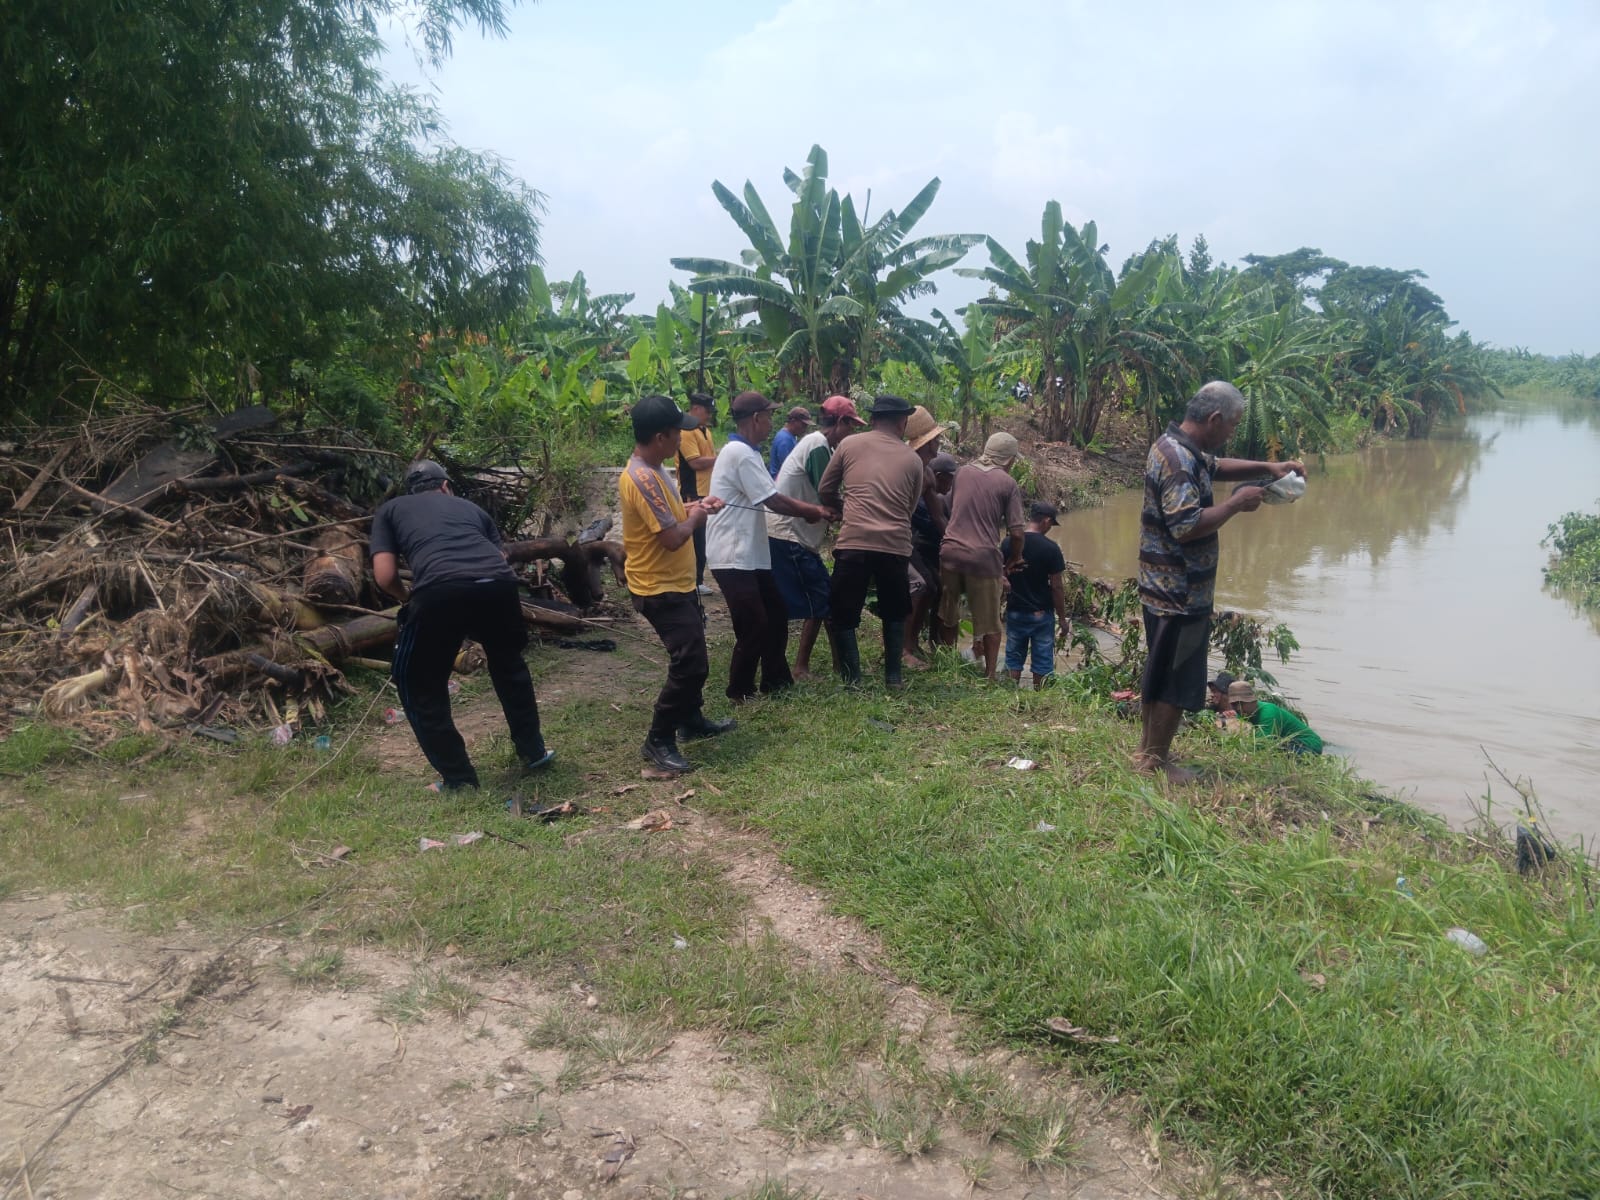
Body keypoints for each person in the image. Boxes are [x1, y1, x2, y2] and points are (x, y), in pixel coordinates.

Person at [1135, 381, 1305, 782]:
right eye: (1231, 426)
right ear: (1213, 419)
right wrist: (1235, 504)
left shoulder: (1174, 446)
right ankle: (1156, 763)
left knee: (1158, 672)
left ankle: (1146, 753)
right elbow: (1186, 526)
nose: (1232, 433)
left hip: (1160, 585)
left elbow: (1217, 466)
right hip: (1180, 591)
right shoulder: (1179, 462)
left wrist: (1270, 468)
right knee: (1174, 681)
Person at [370, 460, 553, 791]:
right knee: (509, 666)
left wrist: (407, 597)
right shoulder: (470, 509)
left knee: (418, 683)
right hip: (499, 586)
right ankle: (534, 751)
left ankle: (459, 779)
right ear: (444, 486)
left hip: (439, 591)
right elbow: (499, 559)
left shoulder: (391, 509)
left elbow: (384, 576)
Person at [620, 395, 735, 774]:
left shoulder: (653, 470)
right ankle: (658, 739)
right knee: (691, 664)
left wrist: (696, 506)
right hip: (658, 587)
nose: (679, 444)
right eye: (676, 435)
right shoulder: (642, 478)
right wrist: (698, 518)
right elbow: (671, 538)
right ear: (660, 437)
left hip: (675, 582)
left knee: (694, 653)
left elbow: (667, 518)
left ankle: (691, 719)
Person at [705, 391, 834, 702]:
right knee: (755, 624)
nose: (771, 422)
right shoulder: (739, 453)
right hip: (732, 554)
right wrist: (812, 511)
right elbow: (773, 500)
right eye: (769, 416)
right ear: (756, 419)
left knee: (775, 615)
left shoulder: (747, 451)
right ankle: (740, 690)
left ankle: (776, 681)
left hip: (751, 554)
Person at [817, 394, 925, 688]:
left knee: (843, 611)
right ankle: (893, 676)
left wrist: (843, 508)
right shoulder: (913, 459)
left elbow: (825, 488)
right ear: (902, 422)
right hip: (894, 546)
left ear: (873, 419)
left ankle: (853, 680)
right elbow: (909, 509)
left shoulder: (849, 445)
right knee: (894, 611)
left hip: (854, 541)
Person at [767, 395, 866, 678]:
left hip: (796, 535)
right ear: (840, 422)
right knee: (821, 597)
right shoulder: (818, 446)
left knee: (821, 599)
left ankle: (821, 666)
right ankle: (809, 667)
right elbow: (827, 491)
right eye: (851, 426)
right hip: (788, 534)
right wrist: (853, 514)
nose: (852, 433)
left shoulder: (817, 444)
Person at [937, 432, 1027, 680]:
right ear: (1008, 459)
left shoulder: (963, 472)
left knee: (949, 612)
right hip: (983, 557)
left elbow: (953, 507)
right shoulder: (1007, 483)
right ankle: (989, 676)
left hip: (951, 551)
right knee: (990, 623)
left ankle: (947, 665)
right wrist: (1015, 558)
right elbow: (1017, 533)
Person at [1003, 501, 1070, 689]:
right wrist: (1062, 619)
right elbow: (1056, 587)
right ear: (1046, 521)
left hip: (1015, 610)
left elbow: (1000, 576)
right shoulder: (1051, 548)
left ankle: (1009, 696)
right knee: (1042, 661)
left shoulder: (1008, 543)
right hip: (1041, 614)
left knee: (1013, 658)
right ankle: (1041, 698)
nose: (1050, 528)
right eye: (1051, 524)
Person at [907, 452, 957, 663]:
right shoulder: (921, 499)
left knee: (937, 588)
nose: (952, 483)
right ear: (938, 475)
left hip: (929, 552)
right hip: (912, 548)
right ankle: (907, 645)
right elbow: (934, 525)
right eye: (949, 478)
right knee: (924, 586)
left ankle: (927, 642)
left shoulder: (937, 498)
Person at [675, 392, 719, 595]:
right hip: (691, 491)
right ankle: (694, 580)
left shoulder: (705, 431)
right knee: (695, 538)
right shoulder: (686, 431)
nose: (709, 415)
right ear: (696, 409)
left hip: (705, 490)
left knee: (702, 537)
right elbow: (695, 462)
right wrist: (720, 458)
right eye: (707, 411)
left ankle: (697, 577)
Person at [1227, 681, 1323, 755]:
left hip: (1308, 744)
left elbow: (1262, 744)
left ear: (1253, 701)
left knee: (1278, 751)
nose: (1238, 708)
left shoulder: (1268, 712)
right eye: (1235, 704)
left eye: (1242, 703)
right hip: (1285, 741)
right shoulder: (1242, 713)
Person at [768, 406, 814, 477]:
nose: (805, 428)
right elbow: (790, 467)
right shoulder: (785, 440)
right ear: (793, 421)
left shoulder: (790, 436)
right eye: (803, 425)